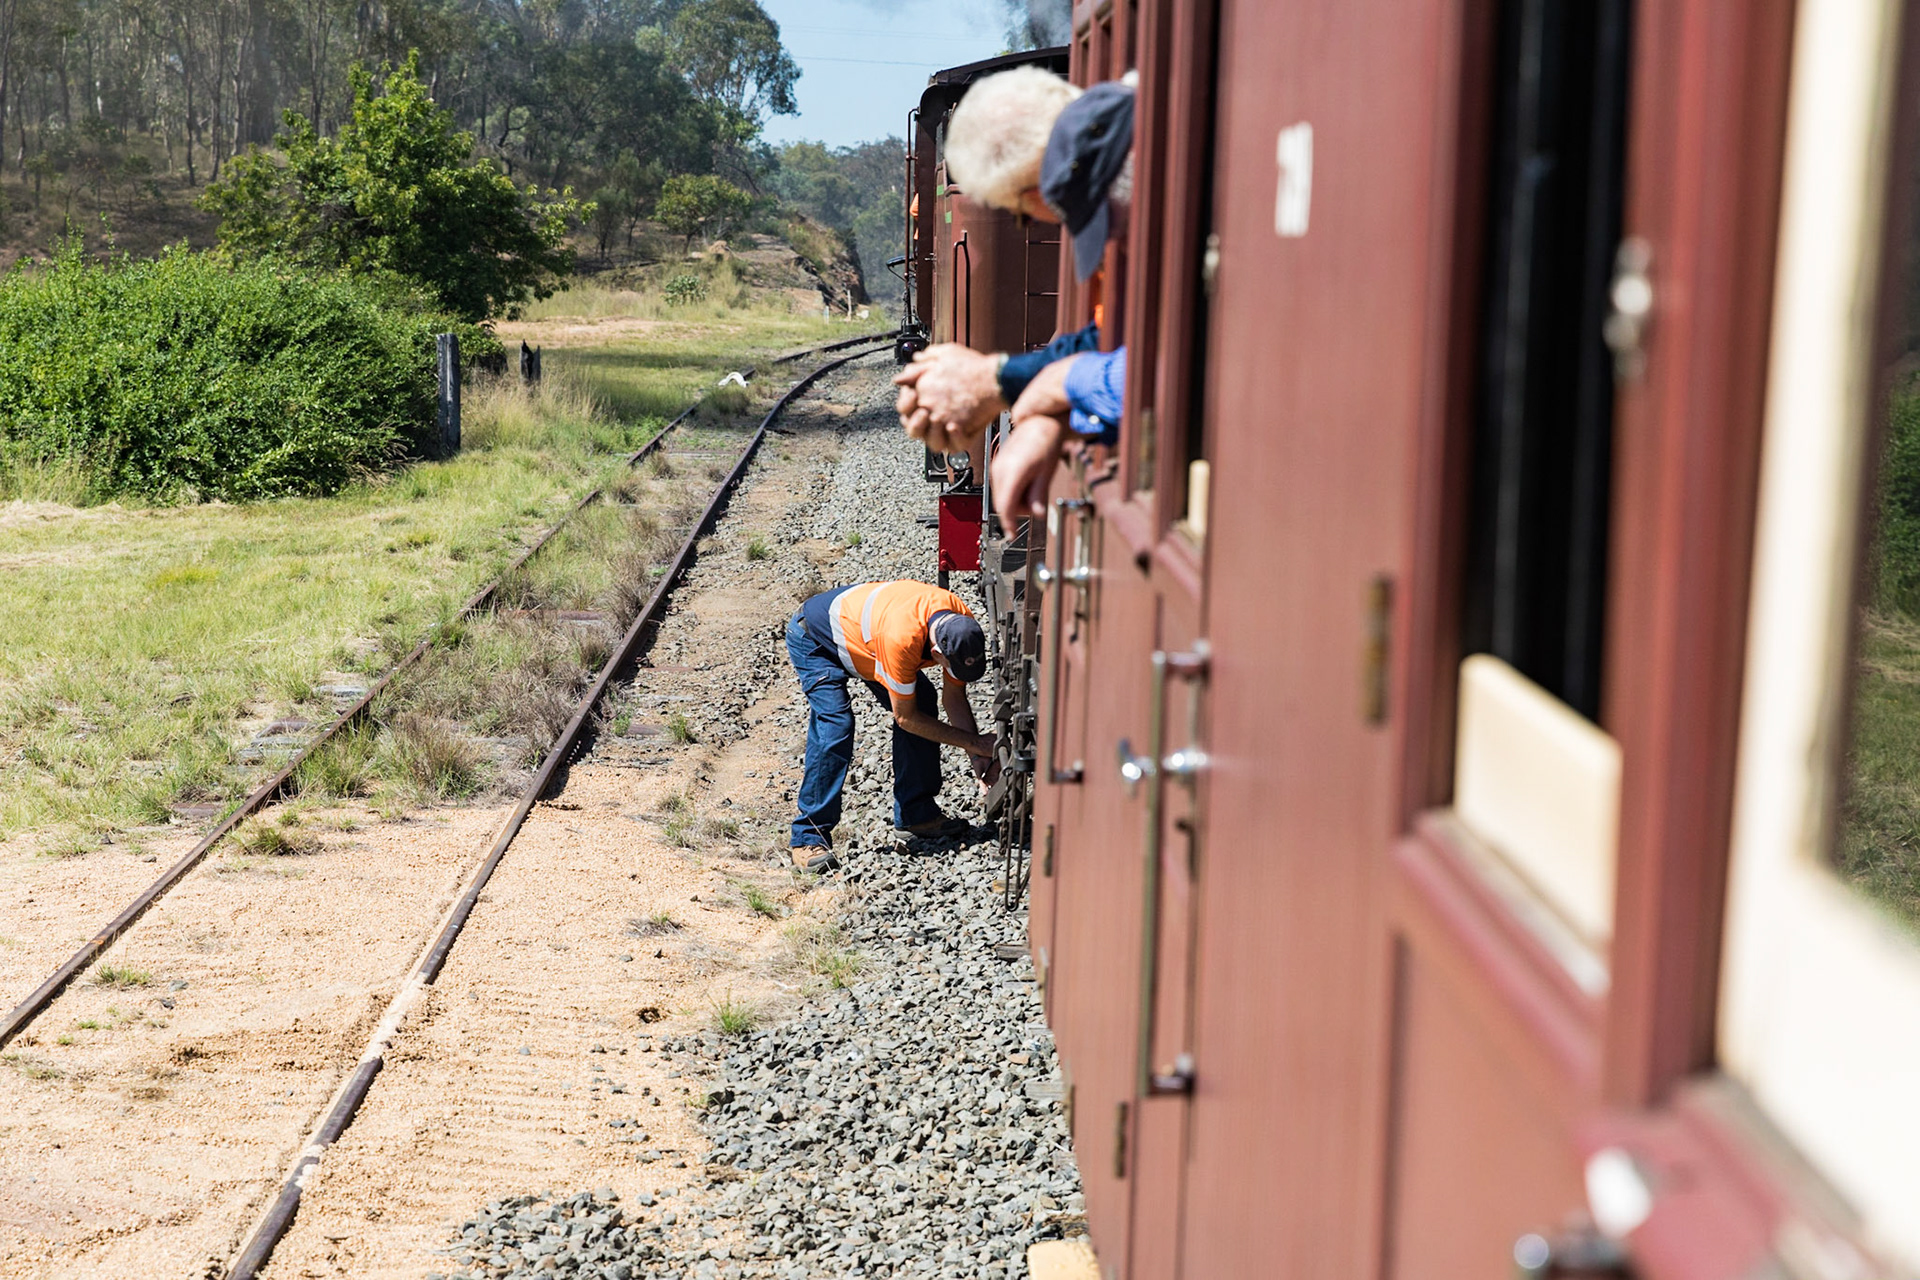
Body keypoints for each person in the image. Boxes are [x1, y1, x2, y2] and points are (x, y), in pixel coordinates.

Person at [785, 580, 998, 871]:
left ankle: (916, 815)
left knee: (923, 701)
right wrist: (976, 743)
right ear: (936, 654)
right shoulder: (902, 640)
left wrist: (979, 759)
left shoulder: (960, 625)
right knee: (836, 725)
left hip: (865, 638)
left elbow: (954, 697)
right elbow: (906, 718)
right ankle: (807, 837)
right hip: (816, 638)